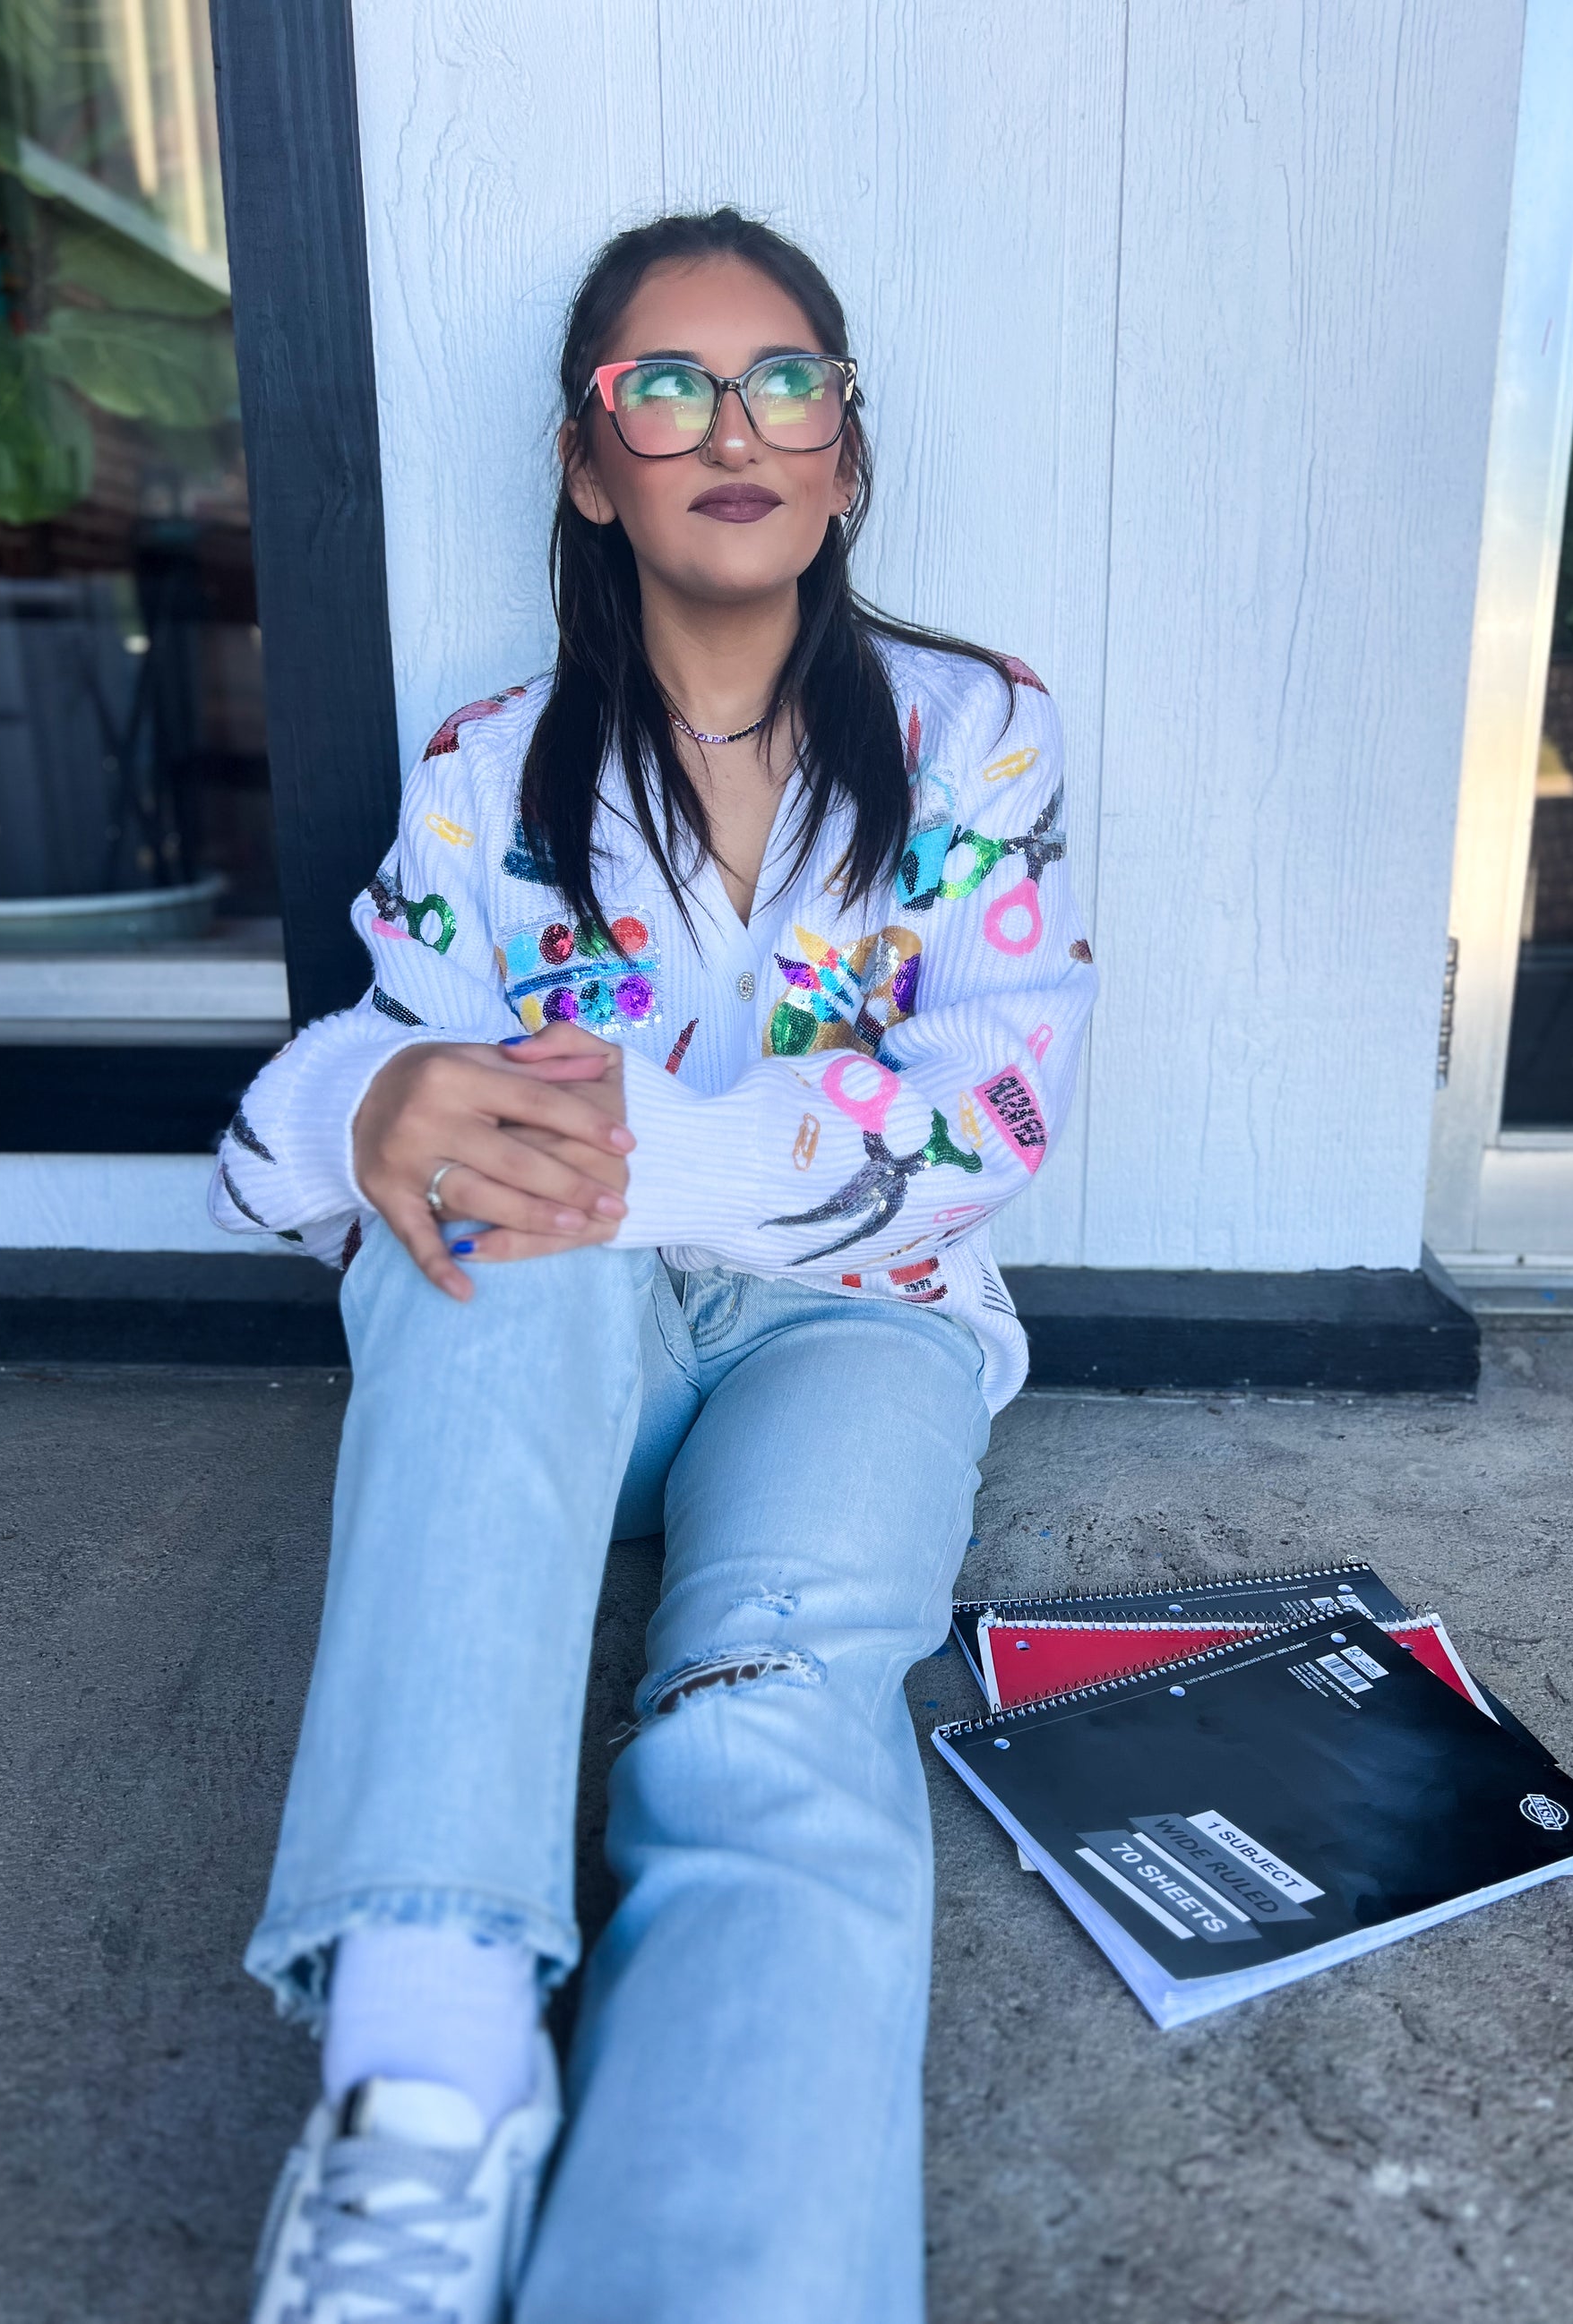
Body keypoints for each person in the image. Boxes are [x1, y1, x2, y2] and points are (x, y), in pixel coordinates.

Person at [217, 206, 1096, 2324]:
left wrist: (641, 1146)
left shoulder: (973, 732)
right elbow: (279, 1155)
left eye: (787, 380)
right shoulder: (481, 767)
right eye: (665, 386)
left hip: (857, 1329)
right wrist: (372, 1106)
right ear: (586, 456)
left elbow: (992, 1112)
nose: (735, 426)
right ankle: (425, 2089)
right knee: (487, 1226)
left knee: (779, 1709)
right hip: (549, 1342)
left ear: (848, 455)